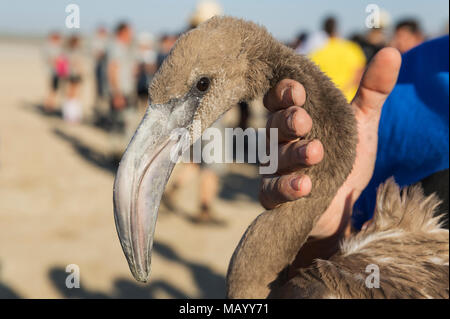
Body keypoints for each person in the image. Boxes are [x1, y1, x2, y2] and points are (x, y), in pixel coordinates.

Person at [260, 37, 448, 270]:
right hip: (342, 128)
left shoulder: (321, 49)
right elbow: (326, 263)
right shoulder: (401, 87)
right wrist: (322, 233)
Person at [309, 16, 366, 101]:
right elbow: (360, 75)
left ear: (323, 29)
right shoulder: (352, 48)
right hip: (350, 99)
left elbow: (312, 78)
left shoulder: (316, 52)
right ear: (337, 29)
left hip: (327, 101)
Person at [107, 22, 137, 135]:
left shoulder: (126, 47)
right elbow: (112, 70)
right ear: (122, 32)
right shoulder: (116, 47)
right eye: (129, 31)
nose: (131, 34)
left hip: (127, 89)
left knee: (128, 122)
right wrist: (116, 93)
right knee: (119, 124)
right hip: (120, 91)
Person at [62, 35, 84, 123]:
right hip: (71, 74)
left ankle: (74, 115)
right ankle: (70, 114)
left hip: (75, 74)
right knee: (71, 94)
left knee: (75, 94)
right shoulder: (70, 52)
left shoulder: (72, 52)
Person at [43, 31, 64, 112]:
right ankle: (48, 106)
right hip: (52, 72)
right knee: (52, 89)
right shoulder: (49, 47)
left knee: (54, 89)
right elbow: (50, 59)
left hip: (57, 71)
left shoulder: (57, 47)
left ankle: (51, 105)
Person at [92, 26, 109, 113]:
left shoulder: (107, 41)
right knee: (99, 91)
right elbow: (96, 54)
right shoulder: (96, 41)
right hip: (99, 70)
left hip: (105, 70)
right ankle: (98, 110)